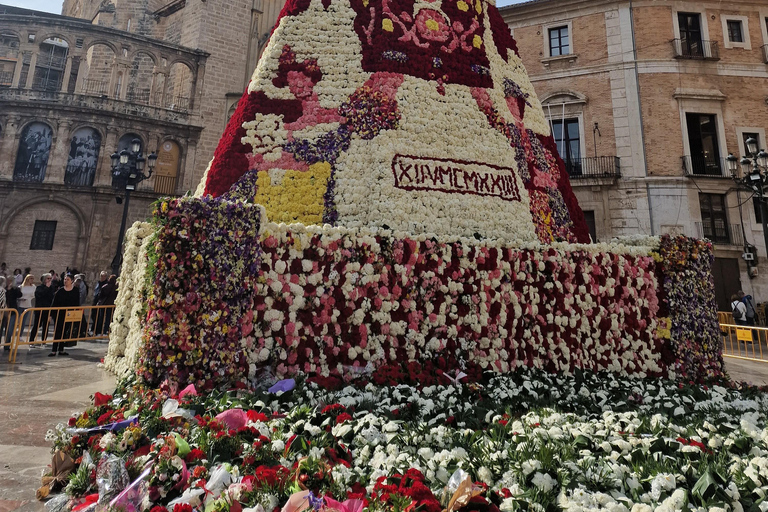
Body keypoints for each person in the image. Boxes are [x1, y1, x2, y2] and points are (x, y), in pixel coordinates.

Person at [49, 273, 80, 357]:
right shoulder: (60, 291)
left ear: (72, 281)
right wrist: (51, 315)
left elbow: (77, 303)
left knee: (64, 332)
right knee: (57, 331)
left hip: (69, 315)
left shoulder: (75, 291)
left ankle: (61, 349)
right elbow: (54, 303)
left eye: (67, 280)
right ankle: (54, 350)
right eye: (65, 279)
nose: (65, 281)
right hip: (59, 314)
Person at [30, 273, 54, 343]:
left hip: (48, 310)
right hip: (40, 310)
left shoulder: (51, 288)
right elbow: (40, 295)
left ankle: (44, 341)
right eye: (48, 278)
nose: (49, 280)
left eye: (50, 278)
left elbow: (51, 298)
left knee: (46, 326)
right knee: (36, 325)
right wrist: (46, 287)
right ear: (44, 279)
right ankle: (31, 340)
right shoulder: (39, 288)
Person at [17, 274, 36, 342]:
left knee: (23, 322)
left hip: (28, 305)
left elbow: (33, 295)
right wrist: (21, 299)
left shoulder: (33, 287)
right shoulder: (21, 287)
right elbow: (18, 296)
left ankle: (20, 336)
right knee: (16, 321)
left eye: (32, 279)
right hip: (20, 305)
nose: (32, 280)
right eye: (31, 278)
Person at [4, 279, 22, 349]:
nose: (9, 282)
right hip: (4, 310)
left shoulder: (15, 289)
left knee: (9, 328)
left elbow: (20, 295)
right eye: (8, 281)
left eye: (10, 281)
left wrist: (13, 289)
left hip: (12, 311)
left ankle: (7, 345)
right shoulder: (4, 289)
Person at [90, 271, 108, 336]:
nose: (102, 277)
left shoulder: (106, 284)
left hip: (101, 303)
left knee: (100, 317)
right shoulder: (98, 283)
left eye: (103, 276)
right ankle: (93, 329)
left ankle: (98, 331)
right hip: (95, 302)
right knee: (94, 315)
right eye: (101, 276)